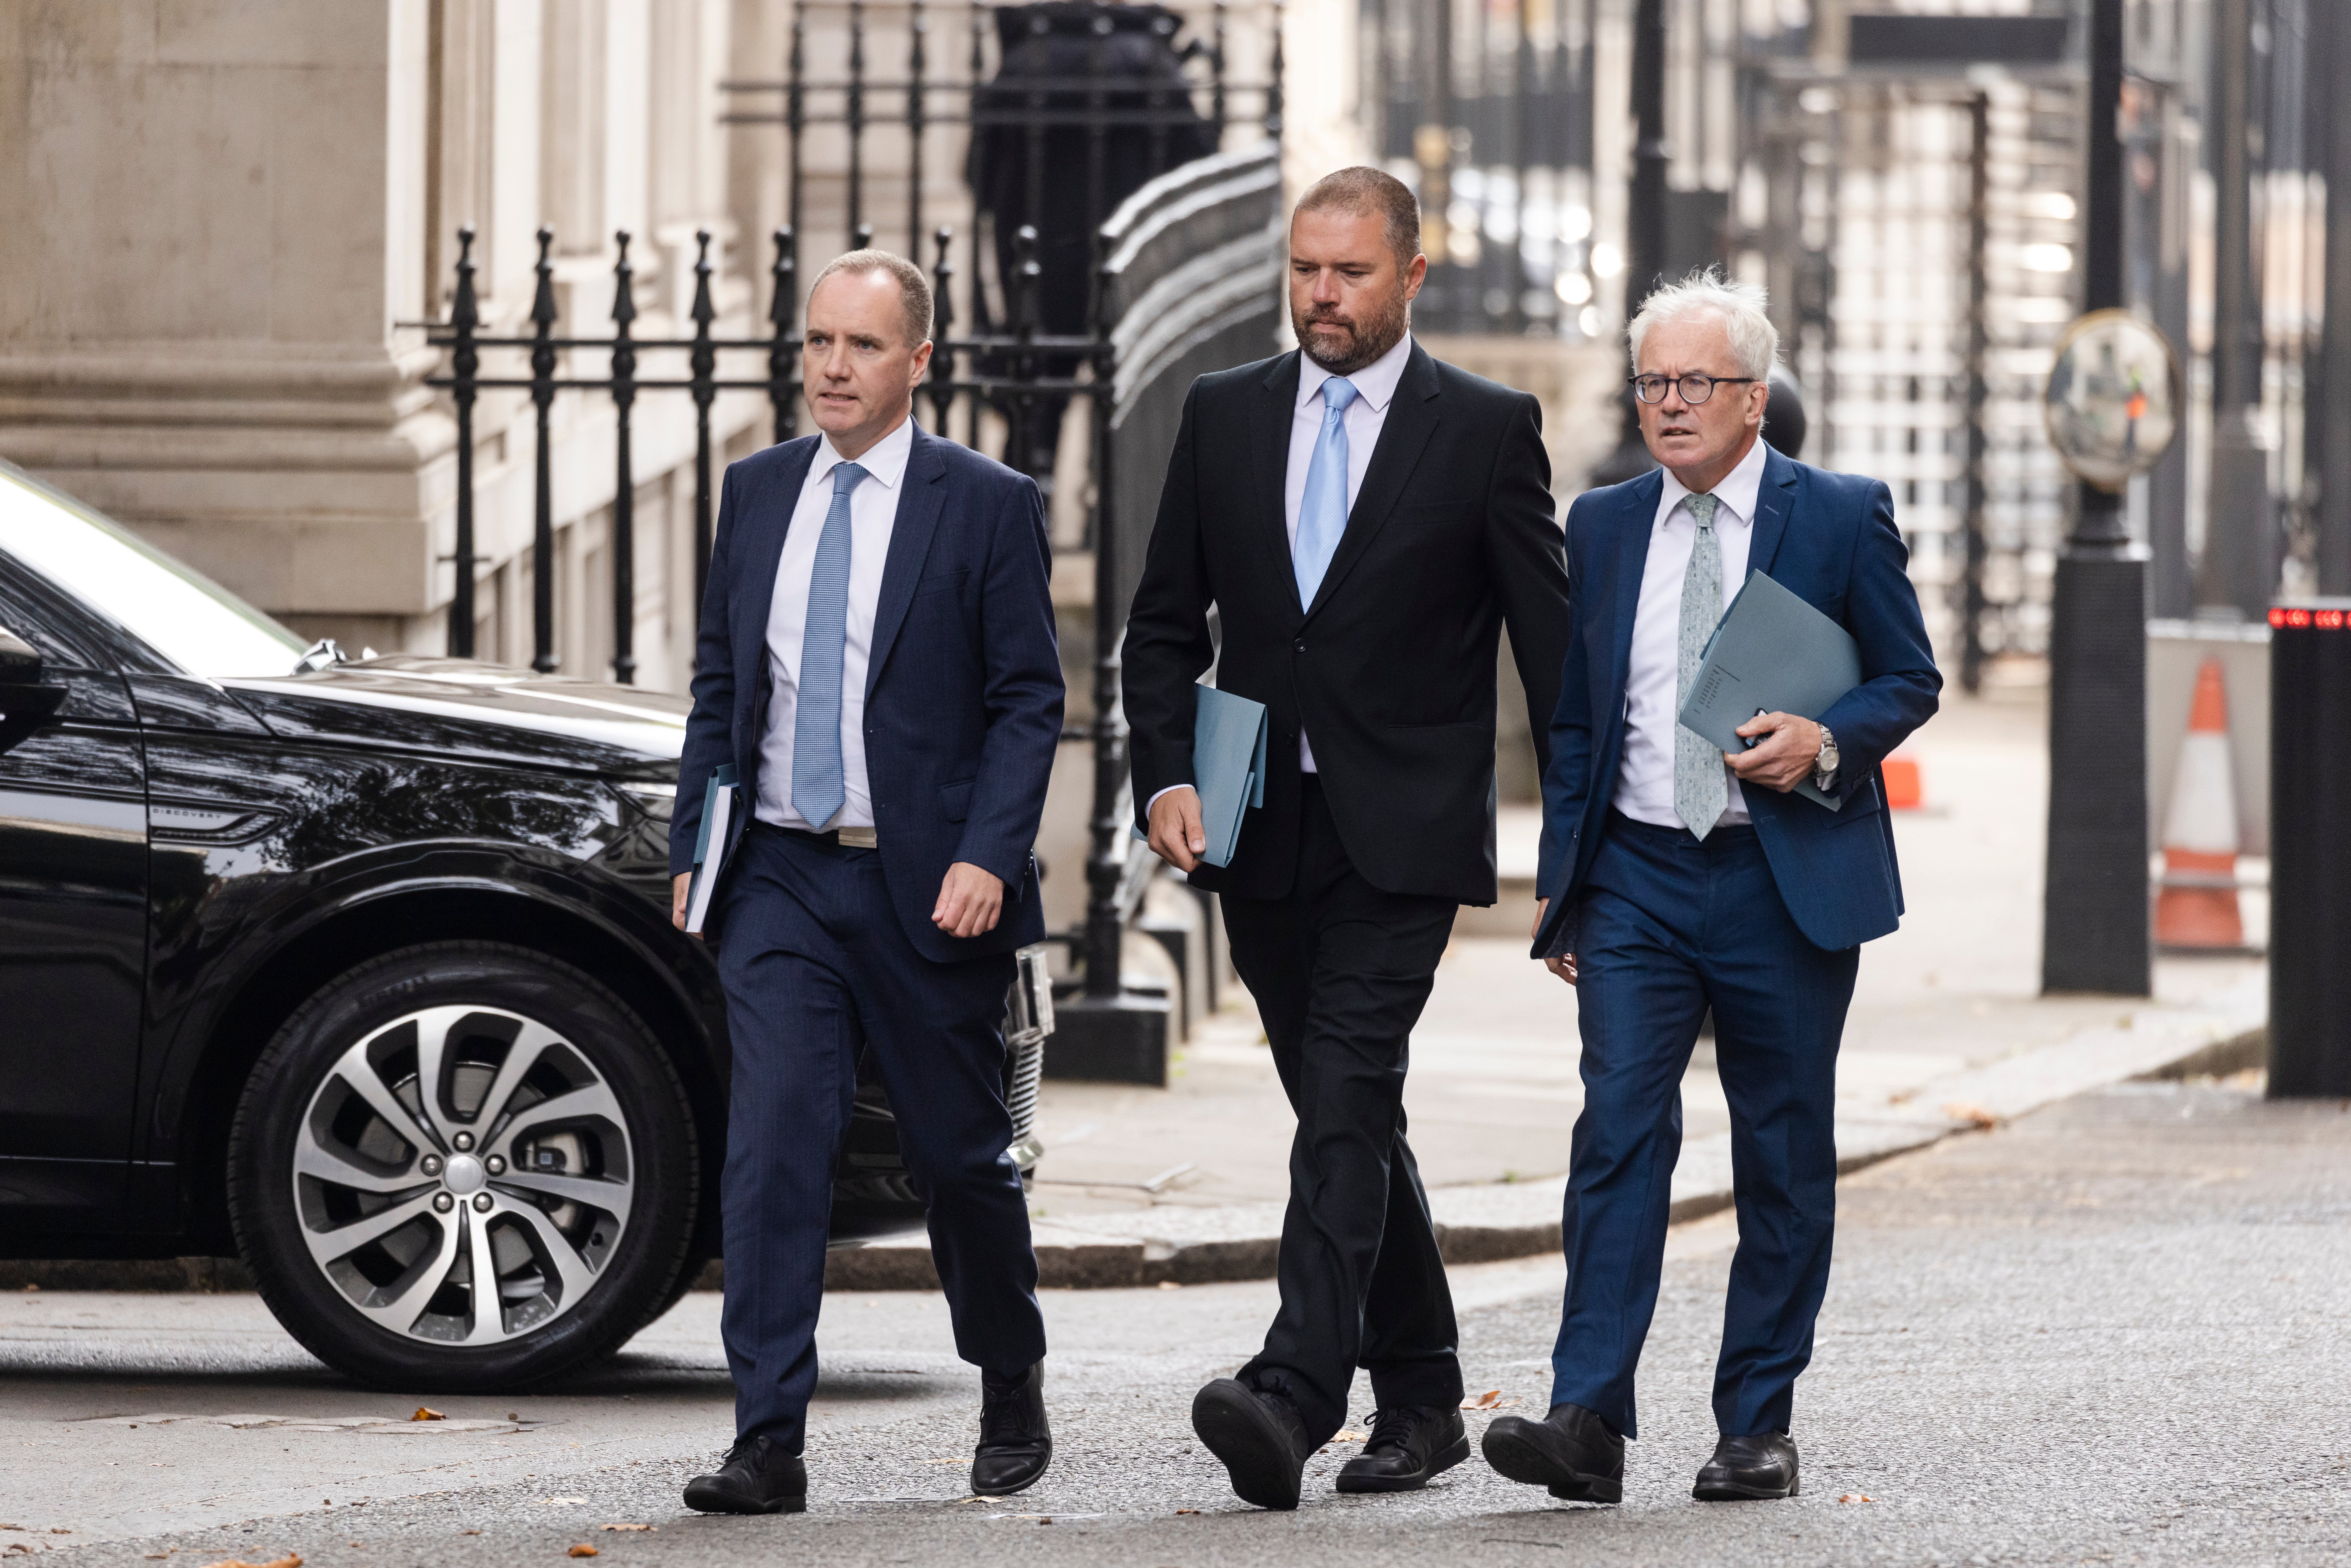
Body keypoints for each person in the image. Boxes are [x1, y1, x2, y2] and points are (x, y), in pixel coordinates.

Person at [1123, 167, 1571, 1510]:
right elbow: (1159, 625)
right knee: (1346, 1107)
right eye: (1307, 270)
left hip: (1405, 832)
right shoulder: (1223, 412)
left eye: (1351, 273)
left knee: (1348, 1087)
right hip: (1256, 824)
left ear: (1412, 277)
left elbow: (1554, 662)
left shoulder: (1487, 430)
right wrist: (1162, 776)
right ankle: (1424, 1393)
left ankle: (1294, 1387)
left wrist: (1582, 855)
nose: (1322, 295)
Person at [1481, 272, 1940, 1505]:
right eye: (1653, 383)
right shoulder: (1606, 522)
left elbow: (1908, 677)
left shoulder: (1838, 515)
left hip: (1775, 872)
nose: (1669, 404)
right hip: (1634, 872)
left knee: (1780, 1148)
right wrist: (1561, 883)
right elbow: (1577, 714)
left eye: (1695, 383)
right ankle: (1585, 1412)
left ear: (1753, 397)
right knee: (1617, 1131)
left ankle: (1755, 1418)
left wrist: (1825, 740)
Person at [667, 250, 1064, 1515]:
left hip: (925, 887)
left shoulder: (984, 502)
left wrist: (985, 855)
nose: (832, 367)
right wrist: (698, 847)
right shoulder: (756, 490)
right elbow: (721, 690)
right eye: (818, 342)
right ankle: (767, 1438)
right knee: (774, 1146)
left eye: (862, 347)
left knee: (959, 1159)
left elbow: (1026, 699)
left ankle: (1009, 1373)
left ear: (918, 364)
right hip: (780, 874)